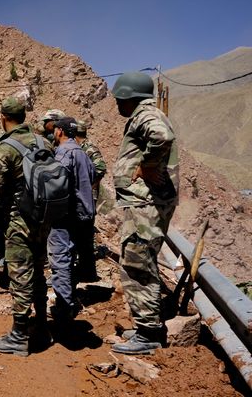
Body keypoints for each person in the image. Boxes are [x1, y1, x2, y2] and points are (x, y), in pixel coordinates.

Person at [109, 72, 179, 355]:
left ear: (129, 96)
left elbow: (163, 137)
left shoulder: (144, 115)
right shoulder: (144, 115)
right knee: (138, 260)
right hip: (144, 204)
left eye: (118, 99)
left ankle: (148, 333)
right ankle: (144, 327)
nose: (116, 104)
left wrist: (148, 165)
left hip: (145, 205)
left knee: (138, 264)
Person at [0, 97, 52, 357]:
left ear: (3, 117)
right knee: (38, 271)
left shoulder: (5, 146)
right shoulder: (43, 141)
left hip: (20, 219)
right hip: (44, 219)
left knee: (20, 275)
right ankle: (43, 326)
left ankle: (19, 335)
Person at [46, 117, 95, 325]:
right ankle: (70, 299)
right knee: (72, 256)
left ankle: (64, 308)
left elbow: (58, 185)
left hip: (66, 216)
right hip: (84, 215)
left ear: (59, 132)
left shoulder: (64, 153)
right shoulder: (83, 153)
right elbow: (92, 177)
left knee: (60, 260)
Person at [75, 120, 107, 281]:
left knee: (86, 229)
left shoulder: (89, 148)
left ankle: (86, 269)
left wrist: (87, 184)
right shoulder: (80, 148)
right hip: (83, 195)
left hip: (88, 195)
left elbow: (101, 168)